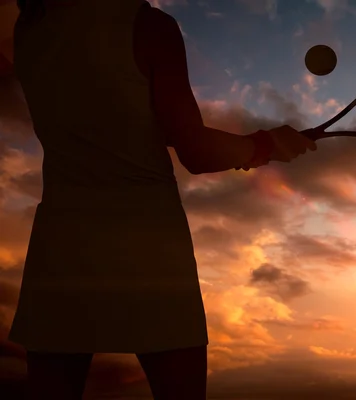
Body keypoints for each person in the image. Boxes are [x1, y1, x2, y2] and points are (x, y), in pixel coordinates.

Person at [7, 0, 317, 399]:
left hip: (60, 243)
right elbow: (195, 151)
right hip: (149, 243)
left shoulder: (29, 29)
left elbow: (131, 120)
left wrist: (259, 145)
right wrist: (265, 144)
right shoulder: (148, 25)